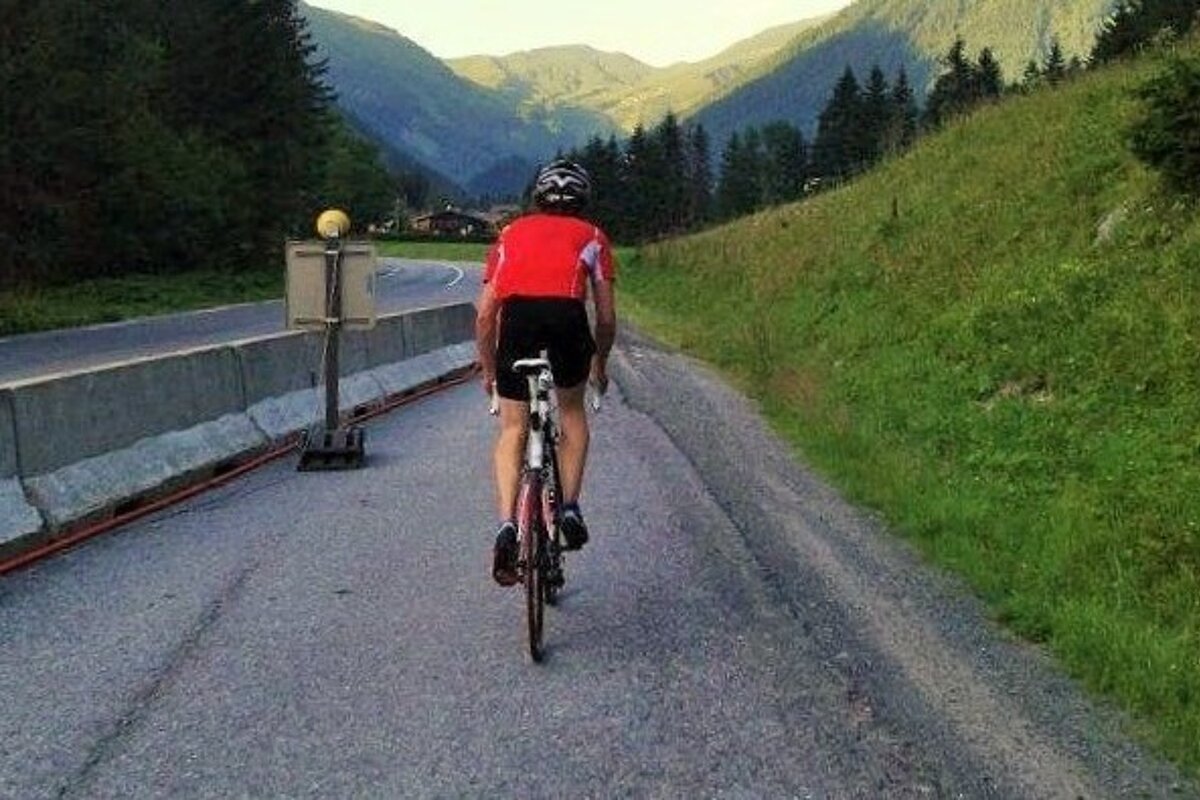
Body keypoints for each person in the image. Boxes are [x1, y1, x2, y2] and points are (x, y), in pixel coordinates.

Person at [475, 159, 617, 587]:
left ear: (536, 198)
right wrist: (600, 365)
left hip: (517, 322)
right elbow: (606, 319)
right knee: (571, 414)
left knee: (513, 429)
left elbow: (485, 317)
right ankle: (569, 507)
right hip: (568, 321)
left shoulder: (509, 234)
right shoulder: (592, 236)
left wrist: (489, 371)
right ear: (582, 200)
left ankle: (506, 524)